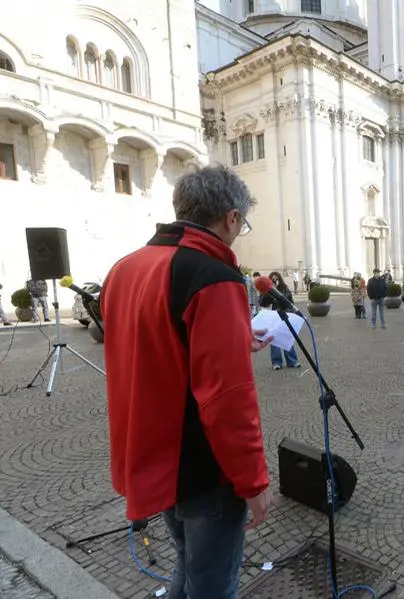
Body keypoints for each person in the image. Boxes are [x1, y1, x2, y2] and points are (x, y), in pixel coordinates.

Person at [100, 165, 273, 598]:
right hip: (202, 469)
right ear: (231, 218)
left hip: (153, 459)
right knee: (212, 586)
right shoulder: (213, 277)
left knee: (189, 571)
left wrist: (232, 340)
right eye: (243, 224)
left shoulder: (124, 268)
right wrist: (254, 483)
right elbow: (228, 401)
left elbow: (157, 340)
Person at [260, 272, 299, 370]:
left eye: (276, 279)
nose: (275, 281)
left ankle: (292, 361)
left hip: (284, 314)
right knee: (274, 339)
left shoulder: (284, 288)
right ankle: (276, 362)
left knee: (287, 337)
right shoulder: (266, 290)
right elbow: (263, 302)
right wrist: (270, 290)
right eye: (273, 279)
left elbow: (289, 301)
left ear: (279, 279)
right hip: (273, 316)